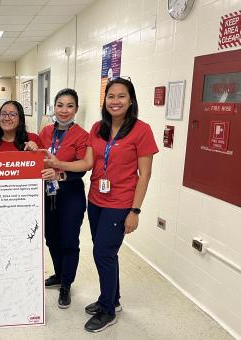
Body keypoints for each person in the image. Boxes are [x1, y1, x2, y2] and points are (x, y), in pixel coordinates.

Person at [47, 78, 158, 332]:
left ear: (131, 101)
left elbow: (145, 174)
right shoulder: (97, 128)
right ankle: (113, 300)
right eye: (111, 96)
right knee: (104, 251)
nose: (115, 101)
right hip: (96, 199)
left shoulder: (142, 130)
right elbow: (87, 163)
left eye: (121, 96)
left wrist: (135, 211)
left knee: (103, 254)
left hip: (120, 203)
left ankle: (107, 310)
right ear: (104, 100)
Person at [38, 88, 90, 309]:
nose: (64, 110)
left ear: (76, 109)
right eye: (60, 105)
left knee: (69, 241)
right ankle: (59, 274)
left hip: (71, 195)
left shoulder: (82, 135)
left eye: (70, 106)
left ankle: (66, 285)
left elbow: (83, 167)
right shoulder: (46, 131)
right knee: (51, 238)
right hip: (49, 194)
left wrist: (60, 172)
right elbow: (37, 158)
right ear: (54, 108)